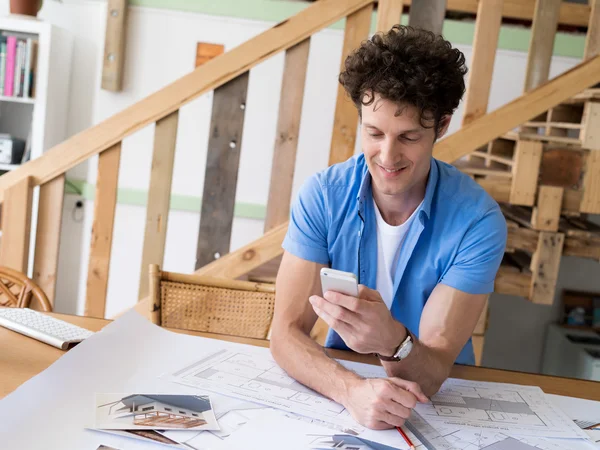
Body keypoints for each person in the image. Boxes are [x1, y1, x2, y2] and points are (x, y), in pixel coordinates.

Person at [269, 25, 507, 430]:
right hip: (341, 394)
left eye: (409, 137)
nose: (387, 155)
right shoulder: (323, 197)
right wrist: (351, 391)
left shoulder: (477, 222)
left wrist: (391, 342)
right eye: (374, 132)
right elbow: (285, 335)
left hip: (441, 409)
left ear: (442, 125)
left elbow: (431, 373)